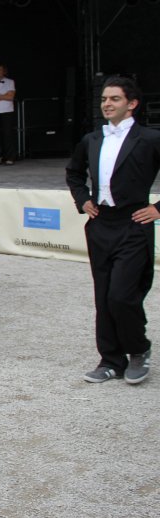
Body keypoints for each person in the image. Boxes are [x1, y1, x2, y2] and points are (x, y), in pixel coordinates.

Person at [66, 77, 159, 384]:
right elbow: (74, 173)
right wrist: (83, 200)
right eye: (104, 98)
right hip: (100, 225)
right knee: (104, 296)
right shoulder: (92, 139)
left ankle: (138, 349)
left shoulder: (149, 139)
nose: (106, 103)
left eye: (115, 99)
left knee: (122, 295)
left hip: (133, 224)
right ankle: (110, 359)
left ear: (132, 104)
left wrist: (158, 209)